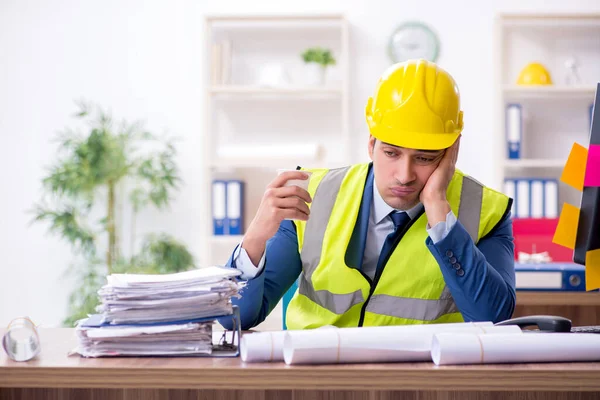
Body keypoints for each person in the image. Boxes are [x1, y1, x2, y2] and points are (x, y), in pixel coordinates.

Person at [220, 59, 515, 331]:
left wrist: (440, 214)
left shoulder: (486, 211)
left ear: (451, 152)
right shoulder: (313, 195)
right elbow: (237, 317)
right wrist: (255, 238)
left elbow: (493, 318)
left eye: (425, 158)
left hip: (422, 383)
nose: (405, 174)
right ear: (371, 143)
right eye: (391, 153)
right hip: (314, 380)